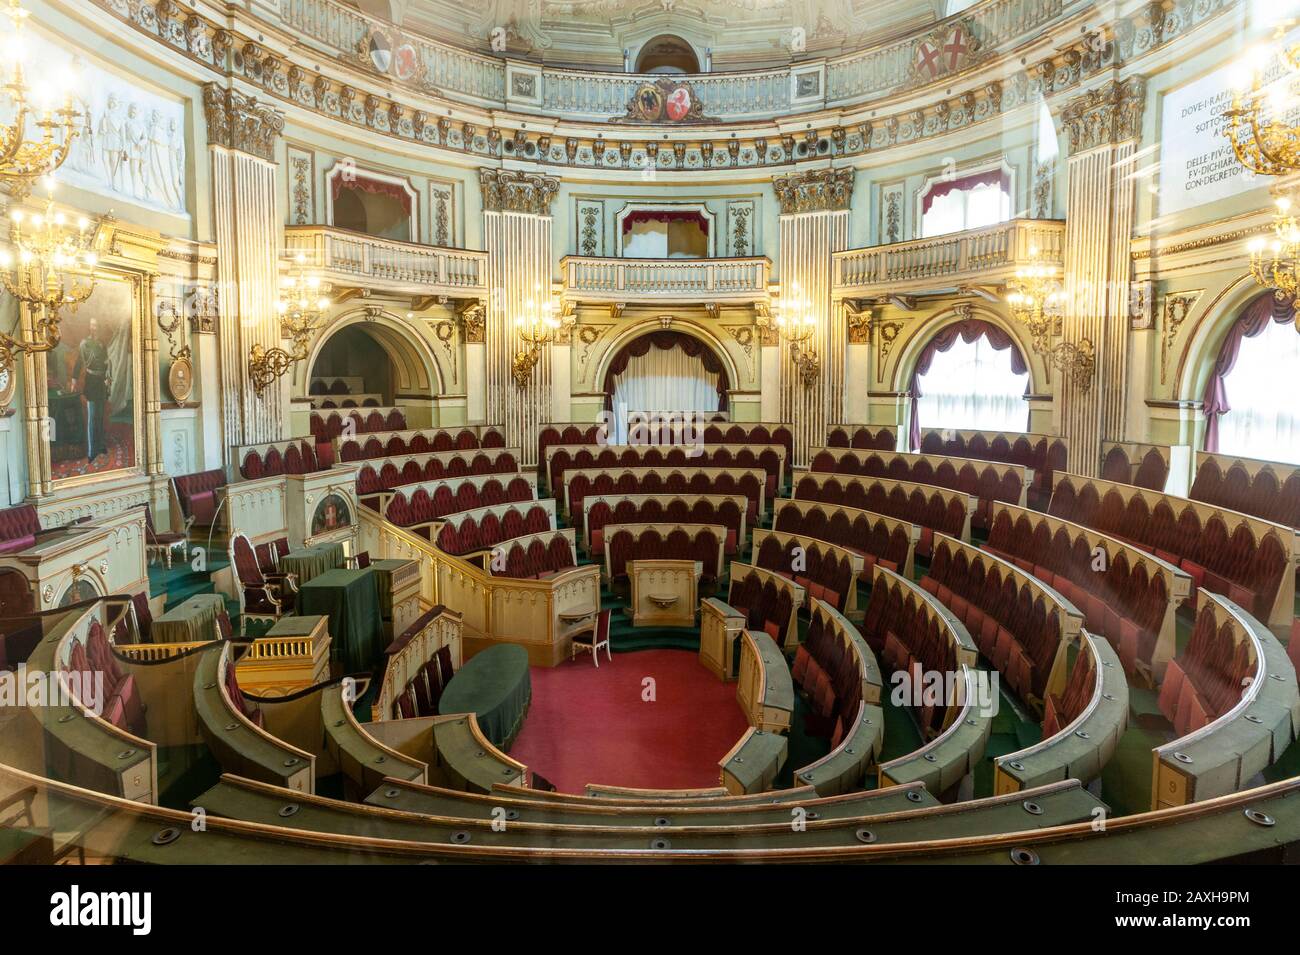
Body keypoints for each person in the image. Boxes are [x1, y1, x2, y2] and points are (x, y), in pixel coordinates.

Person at [73, 318, 111, 461]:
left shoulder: (102, 344)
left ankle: (101, 445)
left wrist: (108, 377)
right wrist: (74, 379)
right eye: (92, 325)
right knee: (91, 418)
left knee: (100, 416)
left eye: (96, 325)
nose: (94, 328)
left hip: (101, 383)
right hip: (91, 383)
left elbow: (106, 363)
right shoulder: (85, 344)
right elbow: (79, 362)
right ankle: (91, 451)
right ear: (89, 327)